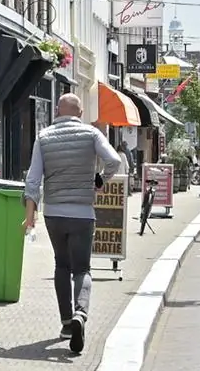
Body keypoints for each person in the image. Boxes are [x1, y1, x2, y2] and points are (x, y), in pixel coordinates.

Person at [22, 93, 125, 356]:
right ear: (79, 113)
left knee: (61, 265)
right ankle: (81, 313)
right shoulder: (91, 134)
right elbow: (114, 160)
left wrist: (30, 214)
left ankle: (67, 323)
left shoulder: (43, 137)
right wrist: (101, 179)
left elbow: (33, 179)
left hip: (54, 212)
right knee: (82, 269)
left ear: (57, 111)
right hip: (82, 212)